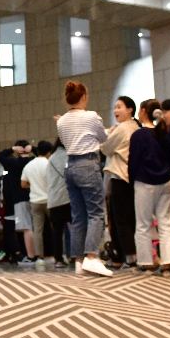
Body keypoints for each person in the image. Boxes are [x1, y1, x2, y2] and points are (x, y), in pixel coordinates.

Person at [55, 81, 112, 277]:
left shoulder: (61, 121)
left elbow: (65, 142)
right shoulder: (91, 116)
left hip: (70, 167)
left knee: (78, 216)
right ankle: (91, 257)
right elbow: (103, 138)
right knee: (96, 213)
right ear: (84, 97)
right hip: (88, 163)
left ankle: (78, 261)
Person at [128, 99, 170, 274]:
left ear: (142, 112)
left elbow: (133, 161)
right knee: (166, 224)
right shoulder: (164, 133)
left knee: (143, 224)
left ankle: (146, 263)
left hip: (145, 182)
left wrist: (131, 179)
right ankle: (168, 264)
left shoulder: (139, 135)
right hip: (166, 182)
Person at [101, 96, 139, 268]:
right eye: (115, 107)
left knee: (119, 220)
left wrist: (109, 133)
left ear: (130, 109)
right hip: (133, 178)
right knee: (131, 218)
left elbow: (105, 148)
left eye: (119, 107)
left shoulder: (122, 128)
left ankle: (127, 257)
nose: (116, 110)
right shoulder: (137, 127)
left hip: (120, 177)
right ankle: (128, 256)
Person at [0, 142, 33, 264]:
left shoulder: (12, 164)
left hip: (15, 200)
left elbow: (0, 155)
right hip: (32, 197)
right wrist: (30, 149)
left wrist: (13, 149)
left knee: (18, 229)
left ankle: (22, 254)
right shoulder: (33, 161)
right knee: (29, 229)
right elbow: (45, 150)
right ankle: (30, 254)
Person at [19, 141, 53, 263]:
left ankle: (40, 257)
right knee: (56, 228)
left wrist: (33, 185)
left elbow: (23, 184)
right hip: (50, 200)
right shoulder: (50, 164)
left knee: (38, 231)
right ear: (49, 152)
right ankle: (58, 254)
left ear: (37, 151)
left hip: (35, 201)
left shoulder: (29, 165)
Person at [45, 140, 71, 267]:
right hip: (68, 198)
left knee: (57, 232)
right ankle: (77, 256)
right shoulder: (69, 155)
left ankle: (58, 259)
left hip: (54, 200)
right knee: (76, 228)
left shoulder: (50, 159)